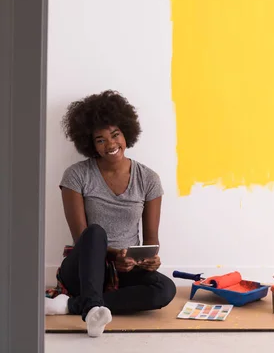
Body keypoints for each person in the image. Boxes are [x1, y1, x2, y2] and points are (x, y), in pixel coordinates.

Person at [44, 90, 177, 337]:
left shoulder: (148, 179)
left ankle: (76, 305)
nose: (111, 144)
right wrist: (115, 255)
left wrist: (149, 261)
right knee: (95, 232)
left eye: (115, 135)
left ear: (126, 133)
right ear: (91, 144)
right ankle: (93, 304)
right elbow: (82, 239)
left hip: (126, 269)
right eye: (100, 139)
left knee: (166, 289)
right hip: (85, 268)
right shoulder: (76, 176)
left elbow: (151, 240)